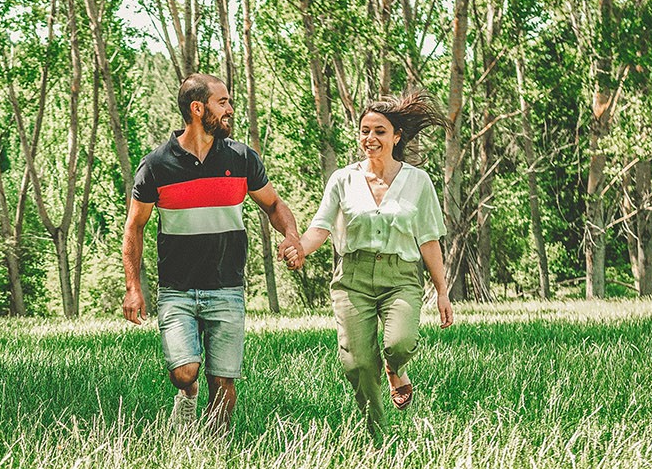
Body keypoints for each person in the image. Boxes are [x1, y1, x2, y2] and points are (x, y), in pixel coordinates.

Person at [123, 74, 305, 434]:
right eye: (222, 103)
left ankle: (211, 449)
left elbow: (273, 205)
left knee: (223, 381)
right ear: (197, 108)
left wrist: (292, 234)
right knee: (184, 372)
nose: (230, 110)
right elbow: (134, 227)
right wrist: (133, 287)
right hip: (176, 289)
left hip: (226, 287)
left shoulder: (240, 157)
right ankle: (186, 397)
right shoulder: (156, 165)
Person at [284, 92, 454, 439]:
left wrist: (442, 291)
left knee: (401, 343)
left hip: (401, 277)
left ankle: (395, 369)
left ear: (396, 136)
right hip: (353, 279)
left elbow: (428, 240)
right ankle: (377, 435)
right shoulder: (343, 179)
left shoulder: (418, 181)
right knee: (358, 364)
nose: (370, 139)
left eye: (379, 131)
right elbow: (321, 227)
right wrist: (299, 248)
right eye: (365, 131)